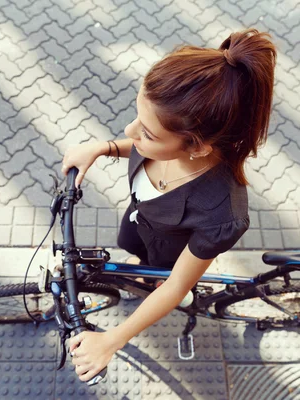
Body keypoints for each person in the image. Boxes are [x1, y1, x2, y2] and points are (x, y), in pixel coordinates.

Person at [60, 28, 277, 382]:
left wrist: (111, 341)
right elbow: (138, 144)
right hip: (140, 225)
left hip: (174, 254)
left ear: (197, 148)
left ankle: (150, 277)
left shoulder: (221, 213)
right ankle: (143, 268)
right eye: (137, 118)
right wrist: (103, 148)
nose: (131, 131)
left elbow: (178, 284)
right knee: (136, 254)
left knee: (165, 285)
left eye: (147, 132)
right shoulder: (164, 142)